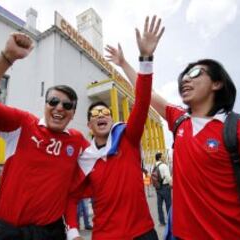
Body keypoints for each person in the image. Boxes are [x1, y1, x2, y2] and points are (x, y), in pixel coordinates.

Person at [106, 47, 240, 239]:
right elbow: (148, 93)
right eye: (183, 76)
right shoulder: (179, 121)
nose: (185, 79)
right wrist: (127, 63)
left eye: (194, 73)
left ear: (217, 83)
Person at [0, 32, 88, 240]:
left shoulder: (77, 140)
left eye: (67, 105)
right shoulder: (22, 124)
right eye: (53, 101)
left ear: (73, 113)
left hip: (50, 232)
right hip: (8, 231)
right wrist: (7, 57)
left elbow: (105, 162)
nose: (59, 108)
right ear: (45, 105)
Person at [65, 16, 164, 240]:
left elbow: (142, 100)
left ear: (111, 119)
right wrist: (72, 231)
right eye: (95, 115)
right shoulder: (86, 159)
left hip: (143, 233)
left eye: (105, 113)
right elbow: (70, 196)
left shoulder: (127, 137)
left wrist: (145, 59)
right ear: (90, 125)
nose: (101, 116)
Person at [153, 152, 171, 226]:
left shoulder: (154, 166)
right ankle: (171, 222)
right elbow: (167, 176)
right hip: (165, 187)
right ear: (160, 158)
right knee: (168, 205)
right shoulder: (164, 165)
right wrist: (172, 184)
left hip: (158, 188)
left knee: (159, 206)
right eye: (162, 156)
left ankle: (162, 222)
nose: (164, 157)